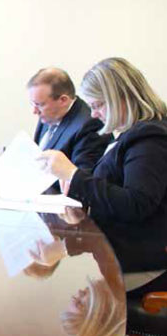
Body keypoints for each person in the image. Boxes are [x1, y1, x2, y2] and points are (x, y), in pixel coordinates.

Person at [39, 57, 167, 223]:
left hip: (130, 247)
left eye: (97, 105)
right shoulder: (130, 134)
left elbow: (136, 204)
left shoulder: (149, 138)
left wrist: (73, 174)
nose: (93, 114)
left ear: (120, 98)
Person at [28, 67, 109, 169]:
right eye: (32, 104)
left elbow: (81, 178)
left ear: (63, 100)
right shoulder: (47, 115)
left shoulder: (90, 126)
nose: (34, 111)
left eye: (39, 104)